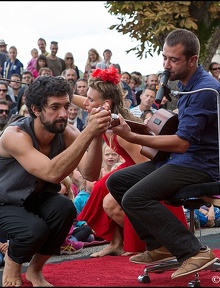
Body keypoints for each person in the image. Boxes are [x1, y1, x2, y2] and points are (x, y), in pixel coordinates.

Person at [106, 29, 220, 279]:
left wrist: (133, 136)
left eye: (173, 60)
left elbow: (182, 143)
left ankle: (194, 252)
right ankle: (159, 246)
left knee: (135, 198)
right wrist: (128, 124)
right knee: (116, 181)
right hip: (180, 161)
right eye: (164, 58)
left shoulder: (204, 90)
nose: (166, 65)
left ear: (192, 60)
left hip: (199, 165)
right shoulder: (186, 84)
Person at [0, 76, 112, 287]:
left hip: (38, 200)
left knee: (66, 208)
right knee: (34, 230)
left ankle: (35, 270)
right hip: (2, 205)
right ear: (36, 109)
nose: (63, 114)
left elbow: (91, 173)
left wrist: (95, 136)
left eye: (66, 106)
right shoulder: (15, 135)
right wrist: (88, 131)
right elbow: (51, 174)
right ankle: (12, 264)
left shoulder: (67, 132)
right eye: (55, 107)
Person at [73, 66, 187, 258]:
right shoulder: (106, 118)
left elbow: (148, 167)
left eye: (91, 100)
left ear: (106, 103)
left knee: (109, 202)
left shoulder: (122, 130)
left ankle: (151, 241)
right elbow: (82, 101)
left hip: (146, 172)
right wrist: (64, 95)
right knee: (99, 188)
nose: (86, 103)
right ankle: (116, 243)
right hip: (128, 166)